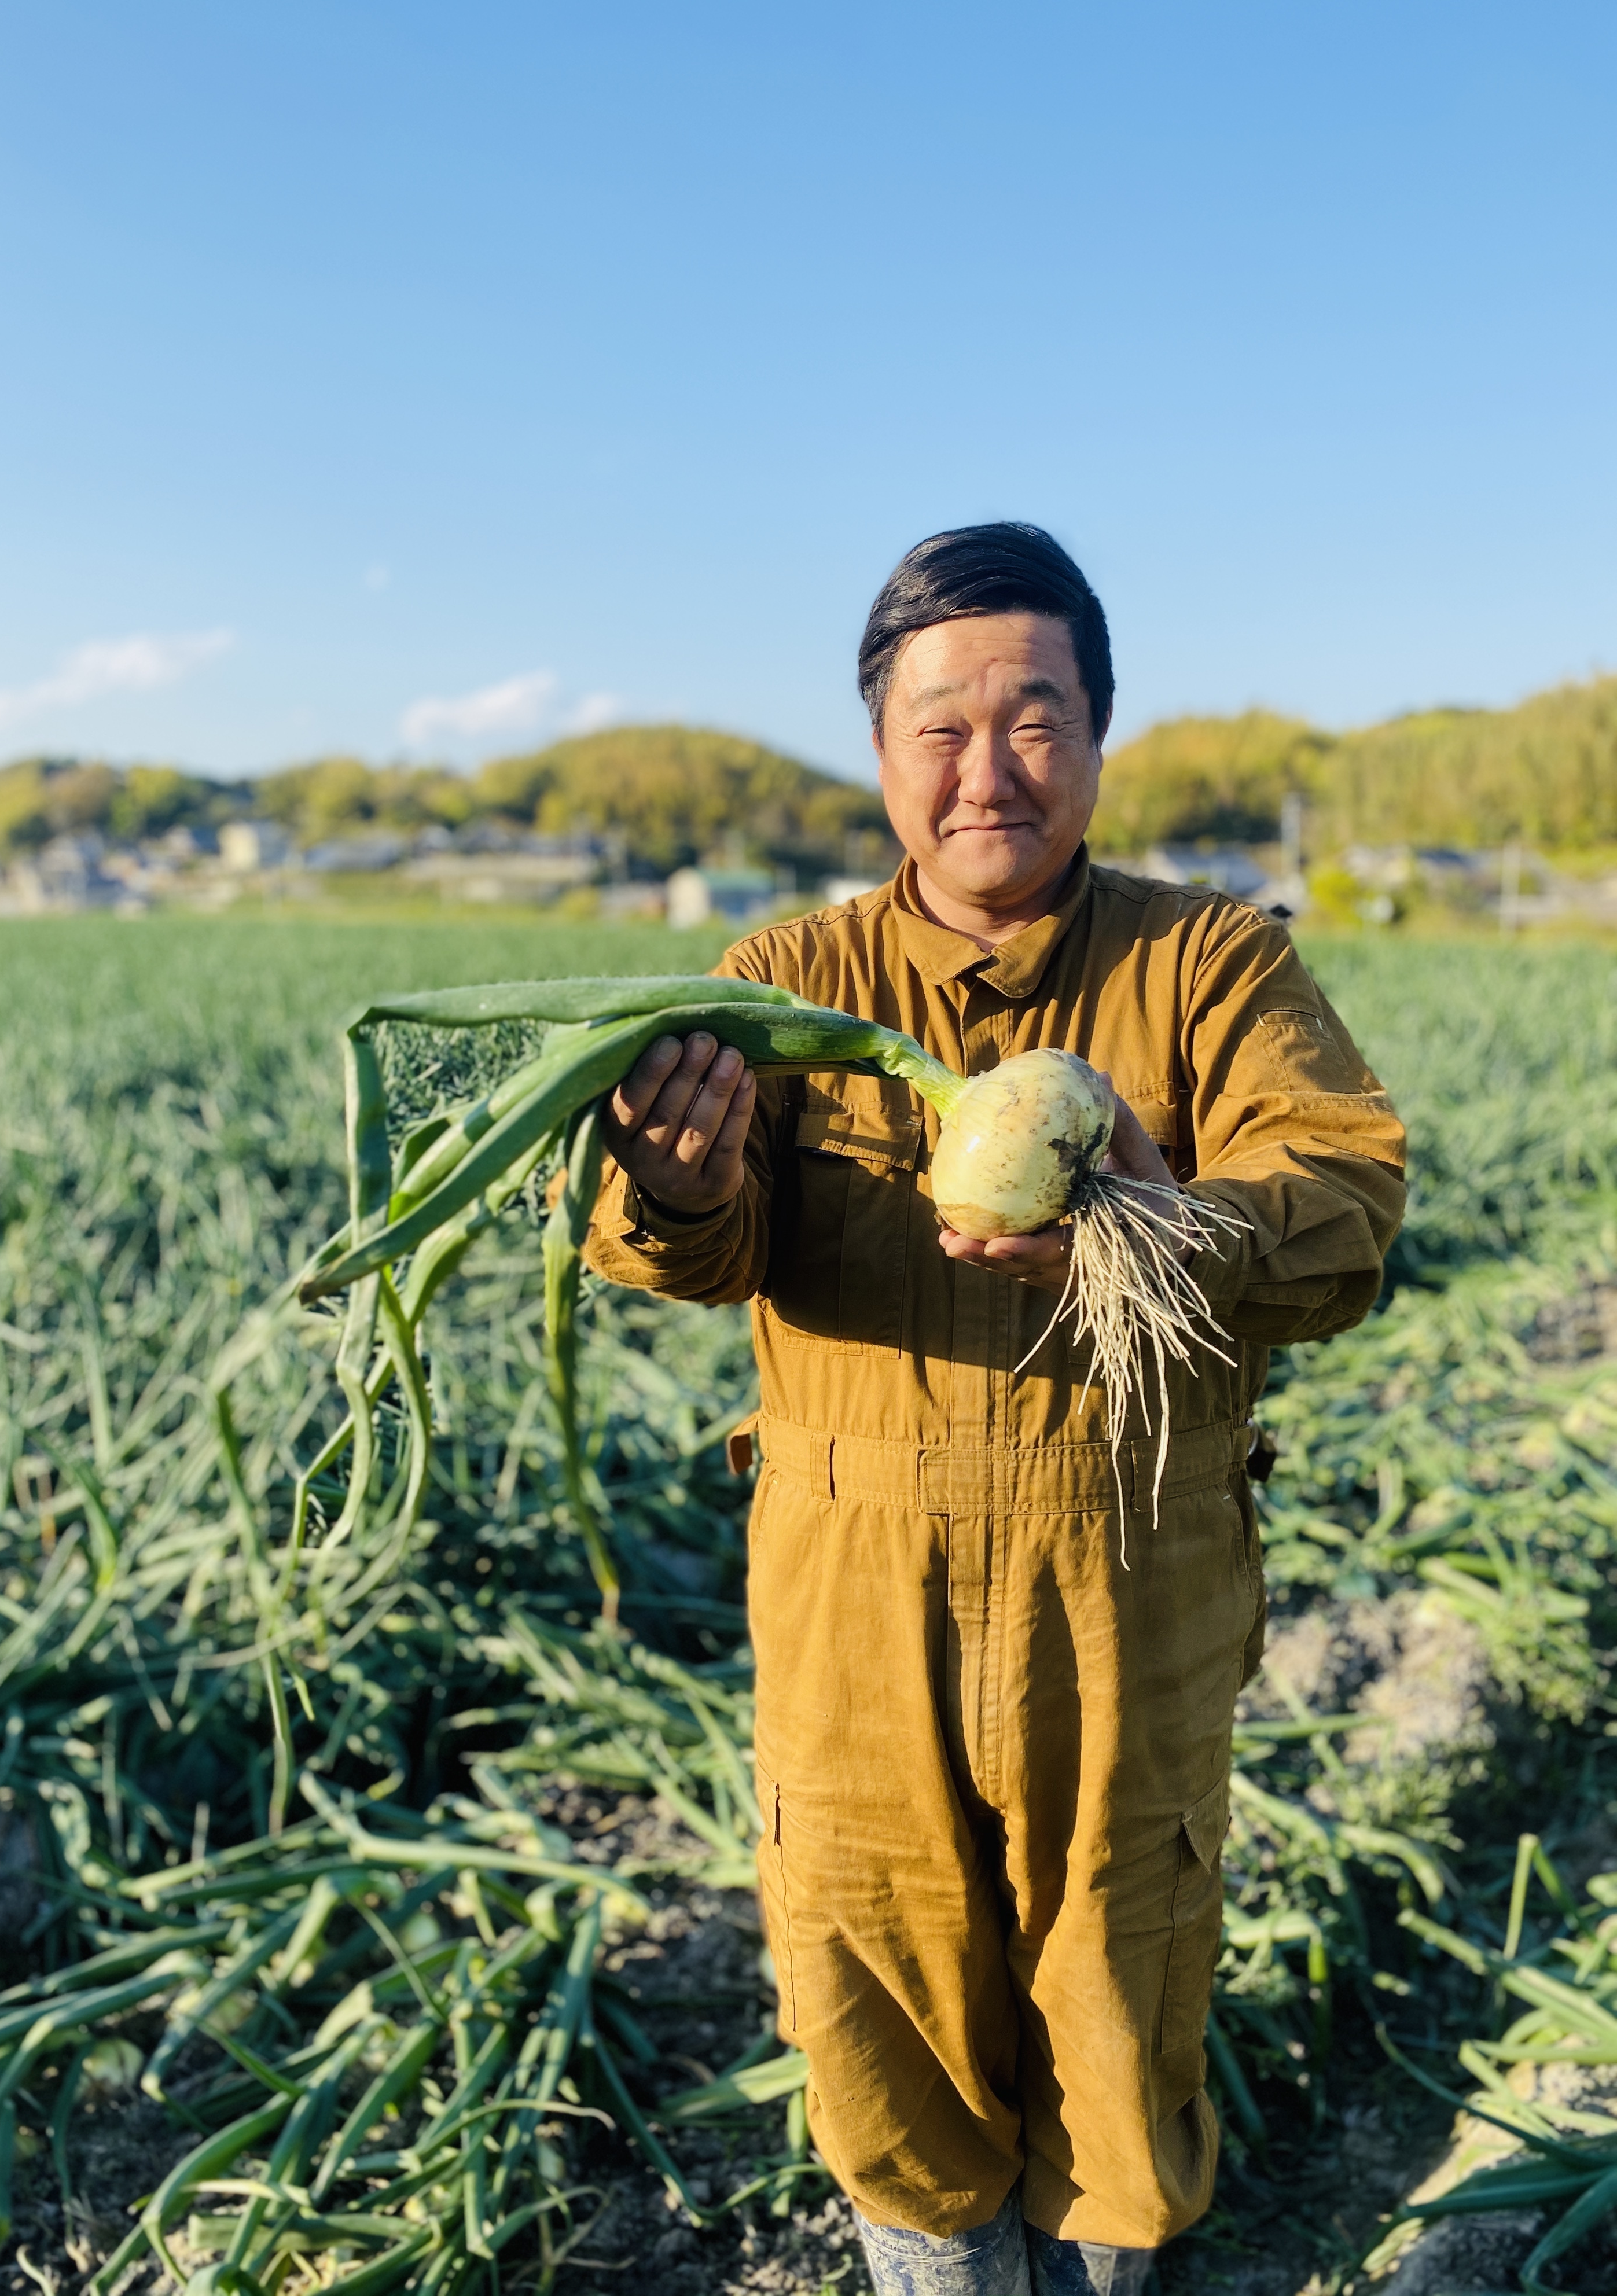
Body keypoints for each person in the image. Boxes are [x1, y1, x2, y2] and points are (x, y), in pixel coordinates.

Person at [583, 524, 1405, 2296]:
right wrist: (678, 1184)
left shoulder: (1212, 965)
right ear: (880, 748)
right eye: (941, 725)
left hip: (1130, 1588)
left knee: (1119, 1983)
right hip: (851, 1602)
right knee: (875, 1985)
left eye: (1035, 718)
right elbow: (688, 1254)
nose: (988, 768)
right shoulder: (780, 985)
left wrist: (1161, 1230)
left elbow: (1345, 1205)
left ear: (1098, 734)